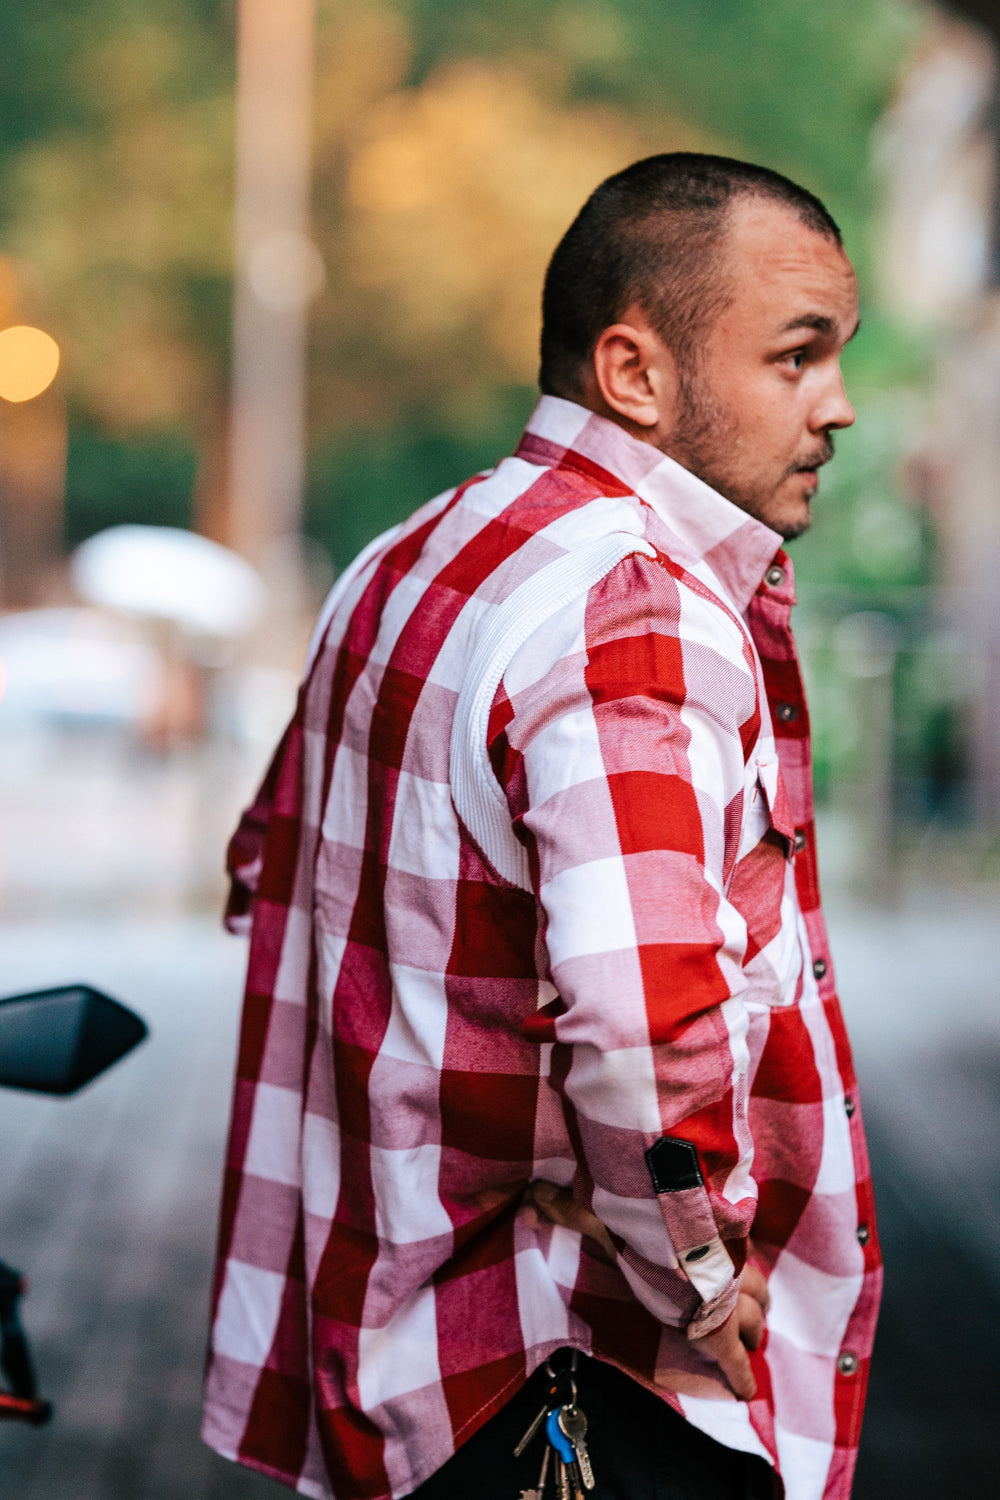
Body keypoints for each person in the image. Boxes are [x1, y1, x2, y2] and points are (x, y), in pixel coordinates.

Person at [203, 153, 881, 1500]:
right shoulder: (637, 610)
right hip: (579, 1380)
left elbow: (267, 878)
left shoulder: (410, 556)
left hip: (399, 1364)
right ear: (635, 372)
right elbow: (644, 1024)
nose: (839, 407)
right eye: (796, 359)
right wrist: (701, 1273)